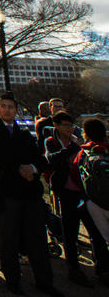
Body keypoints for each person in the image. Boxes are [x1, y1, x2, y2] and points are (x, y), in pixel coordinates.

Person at [0, 92, 62, 296]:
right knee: (9, 240)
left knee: (37, 239)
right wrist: (18, 168)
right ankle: (13, 280)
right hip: (8, 192)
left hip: (30, 192)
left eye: (10, 106)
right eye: (3, 106)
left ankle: (45, 282)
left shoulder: (24, 133)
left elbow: (39, 157)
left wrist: (33, 169)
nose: (7, 110)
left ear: (16, 110)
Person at [44, 110, 109, 286]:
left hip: (85, 193)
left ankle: (102, 268)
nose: (70, 128)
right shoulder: (51, 142)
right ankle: (74, 268)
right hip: (66, 192)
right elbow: (51, 159)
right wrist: (74, 149)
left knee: (94, 231)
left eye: (71, 125)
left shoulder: (79, 139)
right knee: (70, 232)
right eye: (66, 125)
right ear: (56, 126)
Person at [74, 119, 109, 262]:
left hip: (93, 202)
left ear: (86, 134)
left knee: (98, 237)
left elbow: (76, 176)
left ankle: (103, 269)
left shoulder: (84, 153)